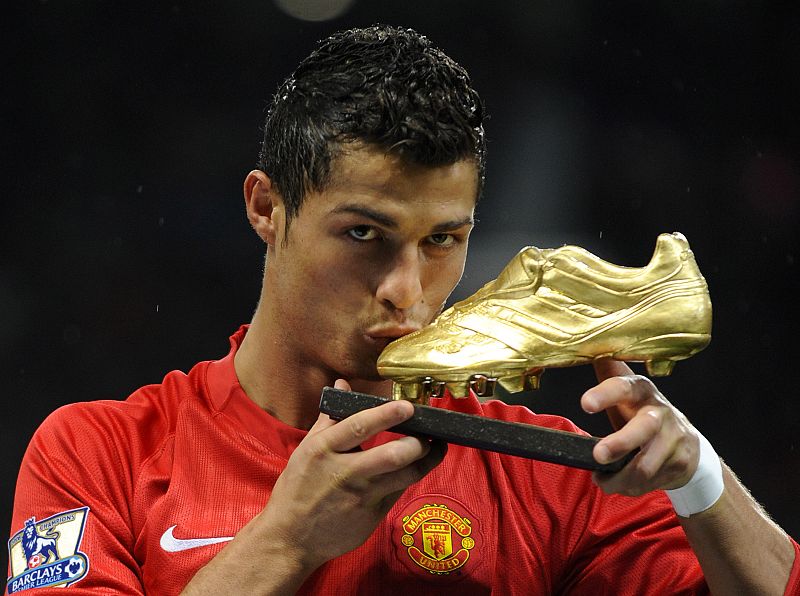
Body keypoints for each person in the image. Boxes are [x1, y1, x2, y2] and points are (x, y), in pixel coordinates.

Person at [6, 25, 799, 595]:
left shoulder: (541, 473)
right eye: (363, 234)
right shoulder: (98, 455)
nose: (406, 290)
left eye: (443, 240)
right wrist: (286, 542)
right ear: (265, 208)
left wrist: (701, 480)